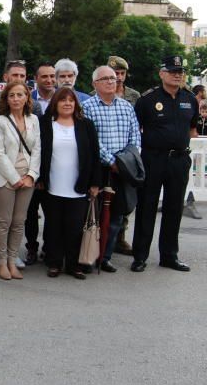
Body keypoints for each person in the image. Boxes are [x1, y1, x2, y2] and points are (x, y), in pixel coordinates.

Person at [130, 55, 198, 273]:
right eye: (172, 72)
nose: (177, 75)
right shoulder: (147, 99)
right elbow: (135, 129)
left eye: (180, 72)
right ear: (161, 74)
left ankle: (169, 255)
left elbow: (192, 129)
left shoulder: (190, 99)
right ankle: (139, 256)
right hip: (154, 159)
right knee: (146, 207)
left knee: (174, 208)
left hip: (179, 159)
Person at [82, 66, 140, 274]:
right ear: (95, 84)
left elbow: (135, 137)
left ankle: (105, 257)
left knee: (116, 216)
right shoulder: (87, 107)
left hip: (122, 169)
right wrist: (111, 161)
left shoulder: (126, 107)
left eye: (113, 78)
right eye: (105, 78)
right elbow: (91, 139)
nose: (111, 82)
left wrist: (126, 161)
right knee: (93, 215)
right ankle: (89, 256)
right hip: (99, 168)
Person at [0, 59, 41, 269]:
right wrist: (15, 179)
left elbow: (38, 149)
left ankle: (12, 258)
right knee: (0, 218)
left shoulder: (34, 119)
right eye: (12, 94)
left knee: (19, 221)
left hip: (28, 177)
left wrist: (32, 175)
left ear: (27, 96)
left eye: (21, 93)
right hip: (4, 175)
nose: (16, 98)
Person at [38, 87, 101, 279]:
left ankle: (74, 265)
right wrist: (40, 178)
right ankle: (54, 262)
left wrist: (95, 183)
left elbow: (94, 156)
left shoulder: (86, 125)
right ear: (55, 104)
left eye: (71, 100)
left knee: (75, 227)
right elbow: (40, 153)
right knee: (54, 225)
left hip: (79, 185)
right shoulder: (45, 124)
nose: (67, 104)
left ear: (76, 104)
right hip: (53, 184)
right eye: (63, 100)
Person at [106, 56, 142, 257]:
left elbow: (137, 127)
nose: (118, 78)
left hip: (127, 156)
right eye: (114, 74)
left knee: (126, 199)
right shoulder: (96, 94)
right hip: (107, 156)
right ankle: (104, 240)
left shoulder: (134, 96)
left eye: (121, 74)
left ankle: (120, 237)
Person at [25, 62, 58, 265]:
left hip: (54, 165)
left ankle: (49, 247)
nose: (49, 80)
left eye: (52, 76)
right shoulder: (28, 100)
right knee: (30, 212)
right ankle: (31, 248)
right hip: (31, 165)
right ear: (36, 79)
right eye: (44, 76)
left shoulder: (63, 100)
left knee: (52, 212)